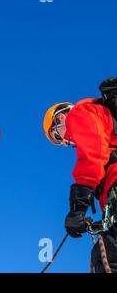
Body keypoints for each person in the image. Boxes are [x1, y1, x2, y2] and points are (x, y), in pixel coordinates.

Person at [43, 91, 117, 273]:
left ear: (60, 118)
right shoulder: (100, 115)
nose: (65, 143)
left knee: (107, 257)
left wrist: (78, 208)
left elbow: (93, 153)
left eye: (58, 137)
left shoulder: (79, 113)